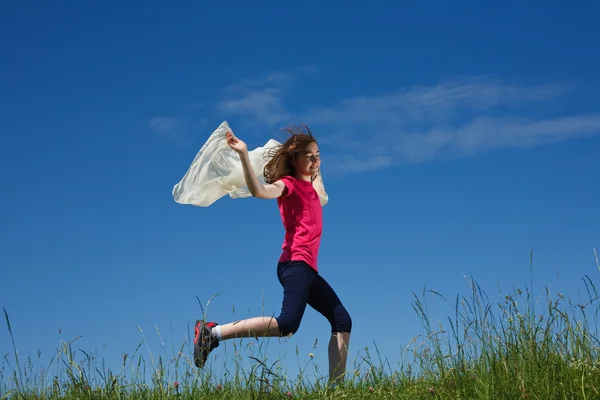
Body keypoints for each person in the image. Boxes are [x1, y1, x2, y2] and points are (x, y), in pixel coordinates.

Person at [193, 125, 352, 384]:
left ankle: (338, 389)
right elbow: (258, 191)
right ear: (294, 160)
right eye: (309, 156)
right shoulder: (287, 185)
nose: (315, 160)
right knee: (288, 324)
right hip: (294, 264)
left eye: (318, 155)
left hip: (308, 269)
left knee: (342, 319)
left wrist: (314, 162)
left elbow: (319, 190)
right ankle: (213, 333)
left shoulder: (312, 190)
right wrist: (244, 154)